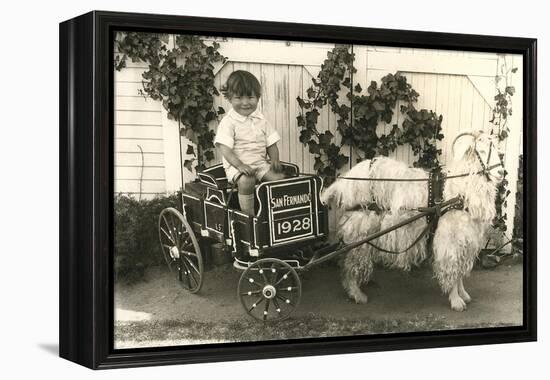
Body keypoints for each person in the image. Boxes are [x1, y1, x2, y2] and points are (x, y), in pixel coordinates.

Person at [214, 70, 285, 216]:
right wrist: (240, 165)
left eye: (250, 97)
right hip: (237, 167)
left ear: (258, 98)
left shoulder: (261, 120)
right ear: (229, 98)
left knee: (279, 180)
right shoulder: (229, 122)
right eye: (239, 98)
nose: (245, 103)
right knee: (247, 181)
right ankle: (250, 216)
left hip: (260, 164)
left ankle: (274, 214)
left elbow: (271, 143)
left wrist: (275, 160)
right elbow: (225, 149)